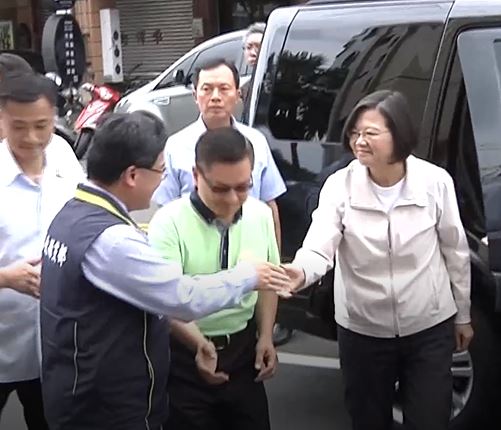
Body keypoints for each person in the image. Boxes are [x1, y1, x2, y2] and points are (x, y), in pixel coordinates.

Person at [39, 112, 291, 430]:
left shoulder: (73, 214)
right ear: (133, 175)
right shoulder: (114, 240)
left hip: (79, 390)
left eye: (243, 187)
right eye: (160, 170)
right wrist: (248, 275)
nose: (163, 181)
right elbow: (181, 298)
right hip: (107, 405)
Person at [284, 90, 474, 430]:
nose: (360, 141)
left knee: (430, 418)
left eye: (371, 133)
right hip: (363, 330)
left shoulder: (434, 182)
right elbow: (320, 243)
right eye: (355, 133)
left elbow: (455, 251)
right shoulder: (340, 186)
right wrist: (300, 271)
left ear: (399, 134)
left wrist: (463, 315)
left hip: (428, 326)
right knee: (368, 419)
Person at [149, 127, 281, 430]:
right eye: (221, 189)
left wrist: (265, 337)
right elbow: (165, 299)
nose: (233, 199)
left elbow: (268, 283)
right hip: (185, 354)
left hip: (244, 353)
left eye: (243, 187)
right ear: (196, 176)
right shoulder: (169, 223)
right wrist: (198, 344)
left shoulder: (260, 215)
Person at [0, 73, 84, 429]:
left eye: (42, 125)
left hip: (55, 345)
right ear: (2, 119)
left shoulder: (63, 156)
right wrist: (6, 278)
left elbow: (84, 223)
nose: (32, 138)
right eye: (19, 127)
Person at [152, 58, 286, 247]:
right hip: (195, 250)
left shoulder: (256, 141)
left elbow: (270, 204)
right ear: (195, 95)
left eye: (224, 89)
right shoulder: (176, 146)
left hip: (248, 247)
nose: (215, 97)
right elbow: (165, 208)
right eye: (207, 89)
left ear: (238, 95)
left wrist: (274, 257)